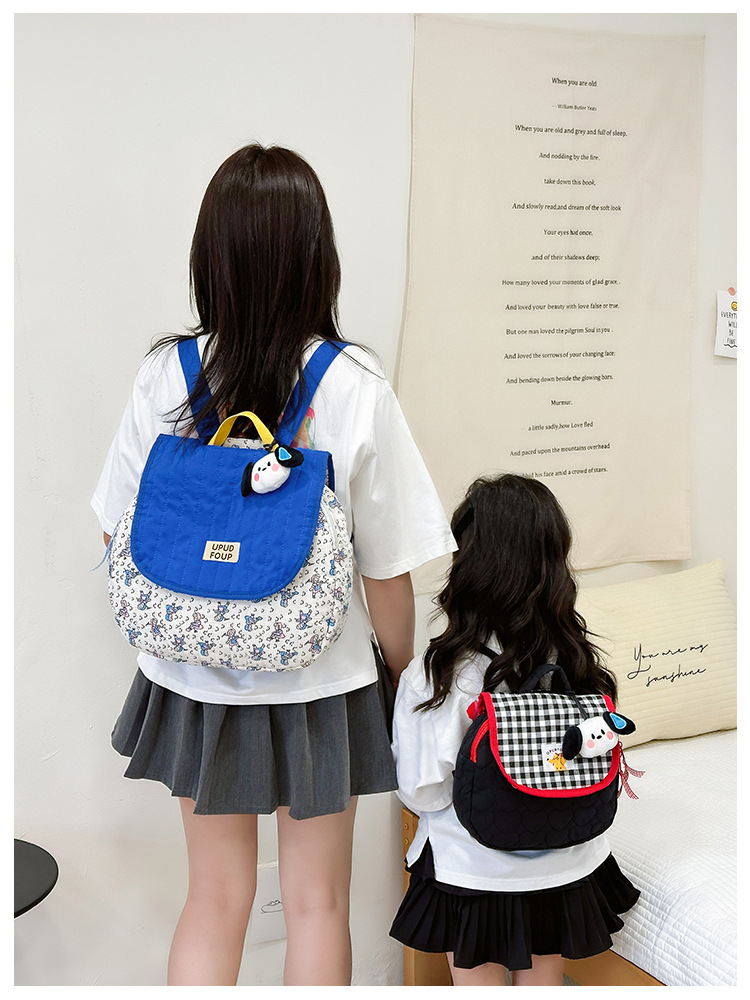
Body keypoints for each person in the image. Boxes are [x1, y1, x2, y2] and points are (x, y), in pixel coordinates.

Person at [90, 144, 456, 986]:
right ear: (317, 257)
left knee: (213, 897)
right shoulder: (353, 383)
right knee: (317, 904)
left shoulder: (166, 374)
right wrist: (402, 675)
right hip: (321, 685)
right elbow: (387, 570)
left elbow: (118, 536)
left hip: (192, 681)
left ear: (209, 255)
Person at [389, 474, 640, 987]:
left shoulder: (439, 676)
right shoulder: (576, 664)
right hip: (566, 869)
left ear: (469, 566)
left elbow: (422, 791)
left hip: (473, 873)